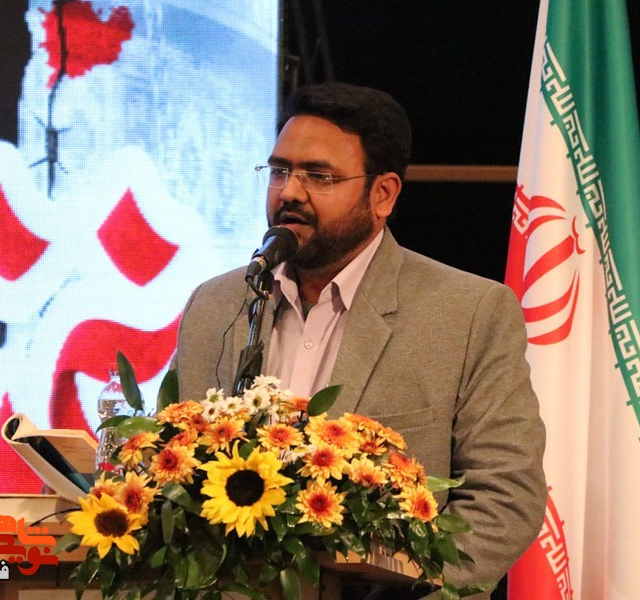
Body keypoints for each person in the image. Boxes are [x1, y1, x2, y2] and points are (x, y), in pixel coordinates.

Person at [173, 82, 547, 598]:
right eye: (279, 171)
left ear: (383, 194)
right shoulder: (214, 305)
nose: (289, 192)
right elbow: (173, 473)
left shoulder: (468, 313)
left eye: (319, 176)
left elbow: (506, 497)